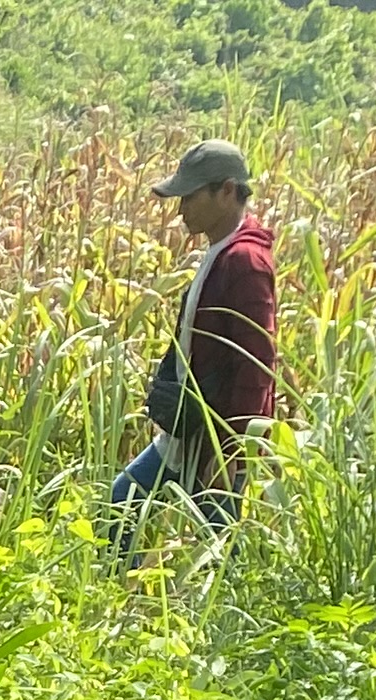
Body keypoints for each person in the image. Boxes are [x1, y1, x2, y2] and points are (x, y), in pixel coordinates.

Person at [109, 138, 277, 538]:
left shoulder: (245, 261)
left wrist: (232, 452)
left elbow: (256, 364)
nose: (181, 209)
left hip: (218, 444)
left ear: (227, 191)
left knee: (216, 548)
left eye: (189, 197)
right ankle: (115, 597)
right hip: (190, 431)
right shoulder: (222, 250)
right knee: (122, 505)